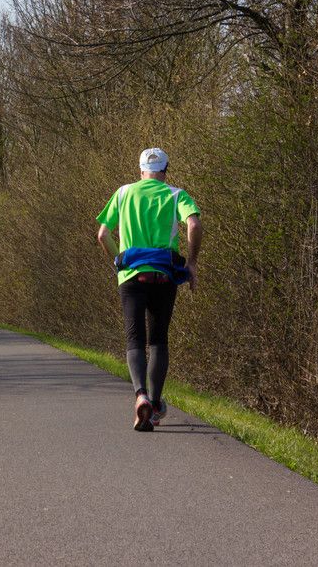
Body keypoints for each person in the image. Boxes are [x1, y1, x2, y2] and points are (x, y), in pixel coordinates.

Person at [95, 148, 203, 432]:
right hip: (164, 275)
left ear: (141, 171)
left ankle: (140, 394)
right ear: (165, 171)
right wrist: (191, 264)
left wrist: (119, 260)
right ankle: (154, 408)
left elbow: (103, 234)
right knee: (158, 340)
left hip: (131, 275)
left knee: (134, 338)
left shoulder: (123, 193)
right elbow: (193, 223)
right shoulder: (176, 195)